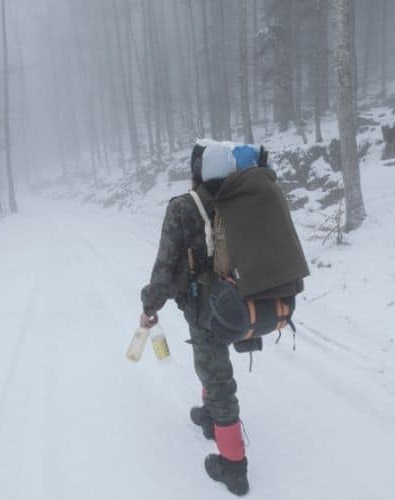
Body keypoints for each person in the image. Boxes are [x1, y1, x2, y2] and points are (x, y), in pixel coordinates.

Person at [140, 143, 249, 496]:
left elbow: (166, 266)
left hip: (206, 307)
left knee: (217, 376)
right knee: (210, 361)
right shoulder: (241, 199)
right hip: (241, 299)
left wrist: (150, 303)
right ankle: (209, 417)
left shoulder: (184, 207)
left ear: (198, 171)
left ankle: (234, 467)